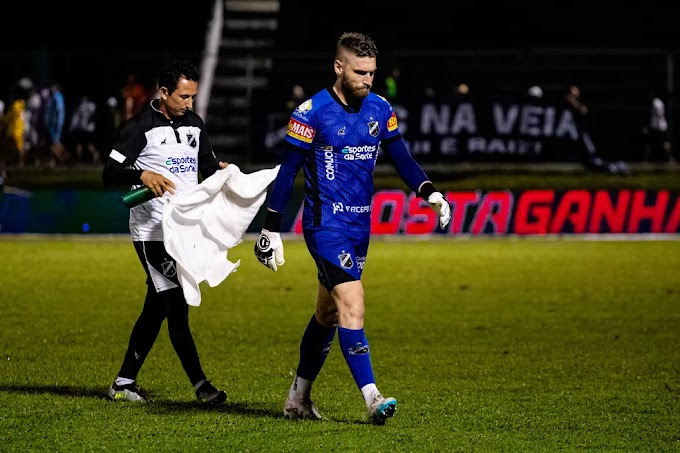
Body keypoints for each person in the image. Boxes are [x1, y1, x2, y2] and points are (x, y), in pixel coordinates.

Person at [253, 32, 451, 425]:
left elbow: (402, 158)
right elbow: (288, 172)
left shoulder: (379, 108)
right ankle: (372, 397)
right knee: (352, 303)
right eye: (360, 72)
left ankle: (298, 399)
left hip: (360, 226)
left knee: (327, 314)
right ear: (338, 67)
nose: (367, 79)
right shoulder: (310, 114)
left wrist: (429, 191)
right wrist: (270, 228)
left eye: (372, 72)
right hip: (325, 226)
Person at [102, 59, 228, 405]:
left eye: (193, 97)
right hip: (151, 232)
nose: (190, 104)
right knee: (176, 303)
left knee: (157, 306)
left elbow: (204, 165)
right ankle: (202, 387)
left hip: (185, 231)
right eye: (184, 97)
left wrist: (221, 170)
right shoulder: (139, 127)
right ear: (164, 93)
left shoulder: (195, 126)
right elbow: (109, 173)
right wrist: (140, 174)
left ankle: (123, 383)